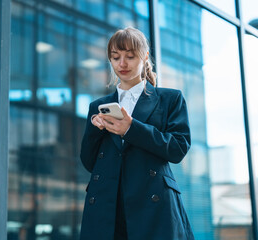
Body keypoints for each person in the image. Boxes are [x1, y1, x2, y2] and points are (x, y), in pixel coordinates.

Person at [79, 27, 194, 240]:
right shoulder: (99, 106)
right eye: (115, 57)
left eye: (130, 56)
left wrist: (132, 129)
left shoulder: (170, 99)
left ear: (145, 57)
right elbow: (88, 162)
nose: (122, 64)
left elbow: (178, 149)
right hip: (107, 206)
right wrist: (96, 131)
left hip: (152, 205)